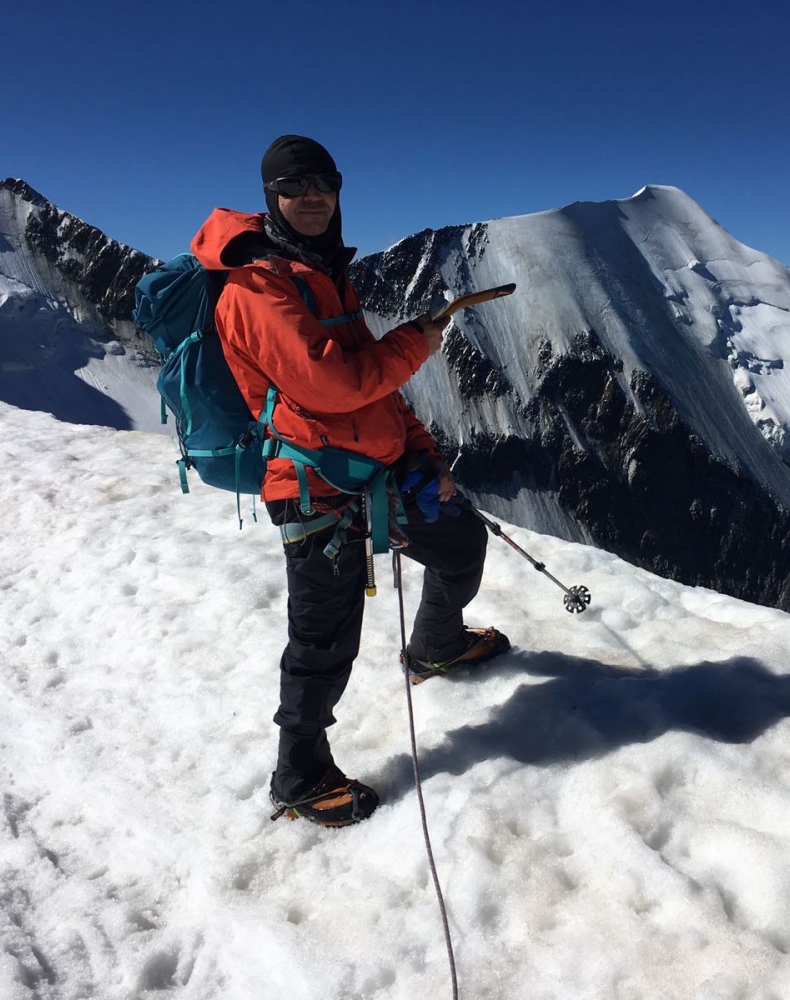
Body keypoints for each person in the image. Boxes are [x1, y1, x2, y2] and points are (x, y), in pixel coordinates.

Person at [190, 135, 508, 827]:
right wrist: (417, 343)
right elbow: (335, 385)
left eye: (322, 184)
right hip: (311, 485)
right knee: (324, 635)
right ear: (271, 197)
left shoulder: (320, 271)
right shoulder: (256, 288)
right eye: (293, 186)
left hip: (375, 465)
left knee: (457, 545)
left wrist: (417, 451)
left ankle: (436, 646)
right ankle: (298, 775)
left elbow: (374, 390)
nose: (310, 197)